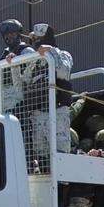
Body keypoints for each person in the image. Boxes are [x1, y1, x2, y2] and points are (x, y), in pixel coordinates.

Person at [28, 23, 74, 155]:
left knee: (60, 155)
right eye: (35, 39)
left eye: (40, 38)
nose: (37, 42)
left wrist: (51, 52)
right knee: (40, 156)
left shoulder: (63, 54)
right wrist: (14, 62)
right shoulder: (33, 61)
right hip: (38, 114)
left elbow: (64, 73)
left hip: (57, 112)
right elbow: (23, 80)